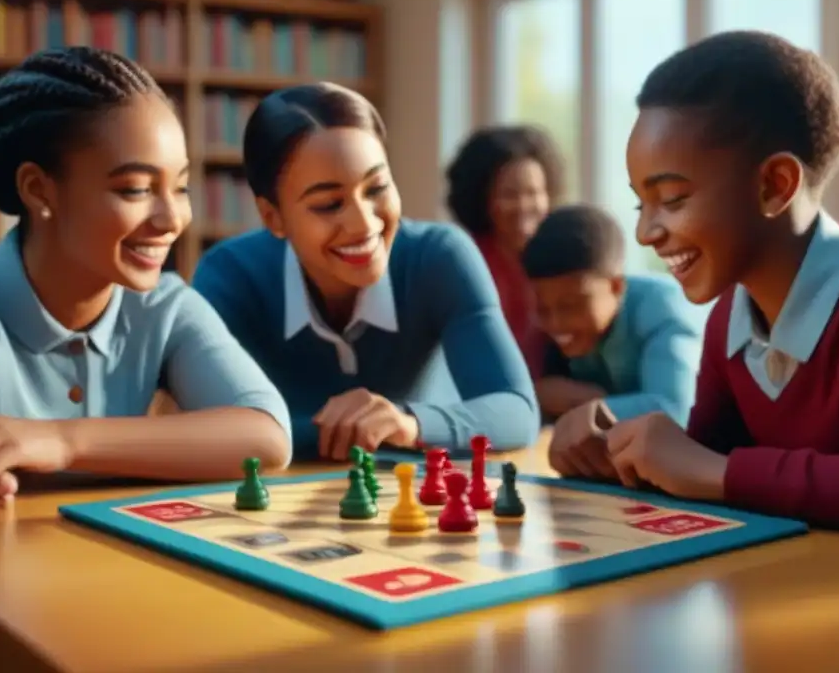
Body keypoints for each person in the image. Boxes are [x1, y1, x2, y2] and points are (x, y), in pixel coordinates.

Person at [565, 30, 839, 540]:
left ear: (775, 185)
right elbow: (701, 473)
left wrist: (724, 475)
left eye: (673, 199)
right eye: (642, 204)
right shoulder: (730, 315)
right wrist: (616, 453)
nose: (646, 232)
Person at [0, 47, 292, 510]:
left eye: (180, 187)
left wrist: (59, 441)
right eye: (136, 190)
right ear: (38, 190)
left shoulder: (165, 307)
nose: (171, 219)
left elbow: (266, 437)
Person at [191, 83, 539, 461]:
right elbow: (215, 426)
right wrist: (347, 429)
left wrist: (409, 422)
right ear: (273, 216)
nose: (363, 223)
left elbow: (517, 412)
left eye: (377, 188)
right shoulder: (230, 276)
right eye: (328, 204)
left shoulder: (439, 257)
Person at [522, 205, 701, 473]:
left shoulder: (664, 309)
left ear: (616, 286)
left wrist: (590, 407)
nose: (556, 324)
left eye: (571, 305)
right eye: (543, 309)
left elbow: (674, 410)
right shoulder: (570, 333)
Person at [444, 126, 563, 377]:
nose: (523, 207)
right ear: (482, 199)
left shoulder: (562, 256)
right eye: (509, 195)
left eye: (533, 193)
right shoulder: (463, 263)